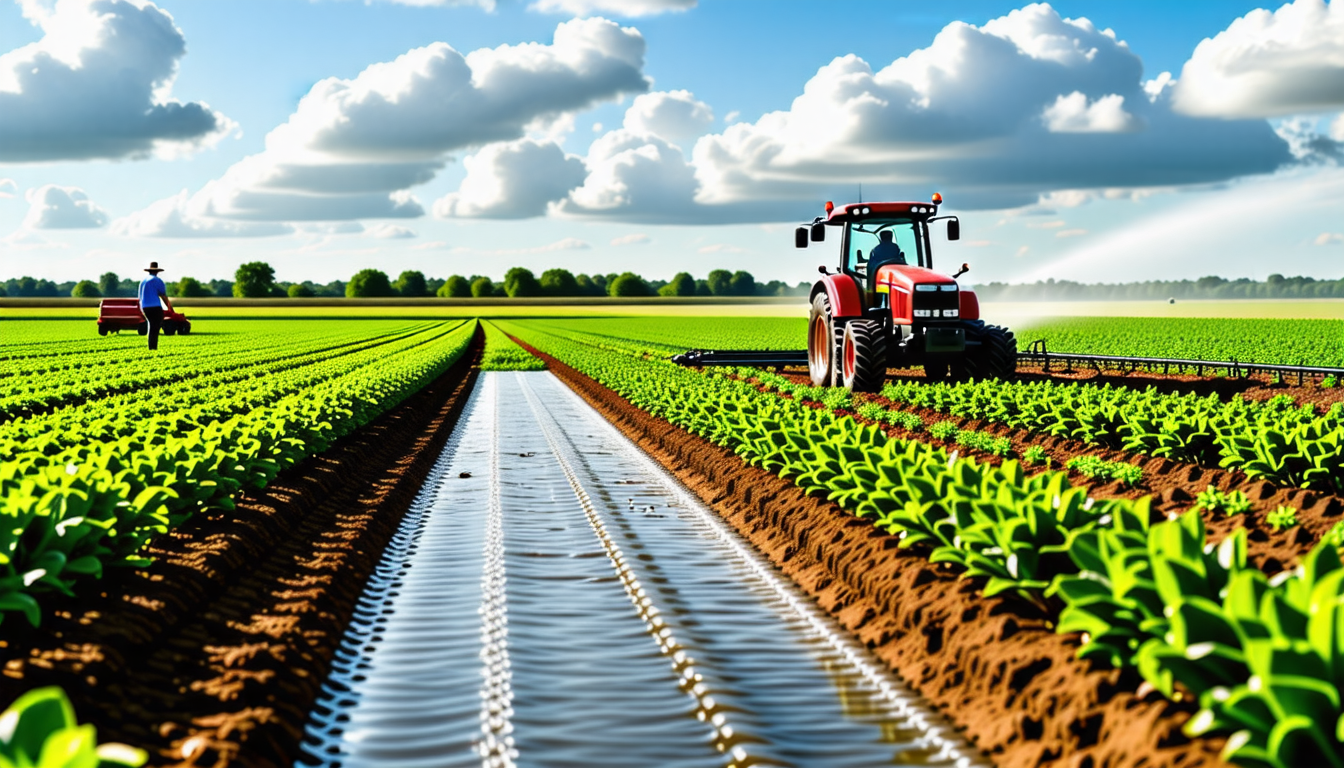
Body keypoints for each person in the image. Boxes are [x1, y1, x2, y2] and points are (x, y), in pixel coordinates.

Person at [138, 261, 175, 351]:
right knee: (155, 327)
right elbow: (163, 296)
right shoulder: (157, 281)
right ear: (157, 271)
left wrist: (141, 309)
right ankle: (153, 347)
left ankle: (151, 346)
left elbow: (140, 296)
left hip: (145, 307)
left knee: (151, 326)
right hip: (155, 306)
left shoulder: (143, 281)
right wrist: (170, 307)